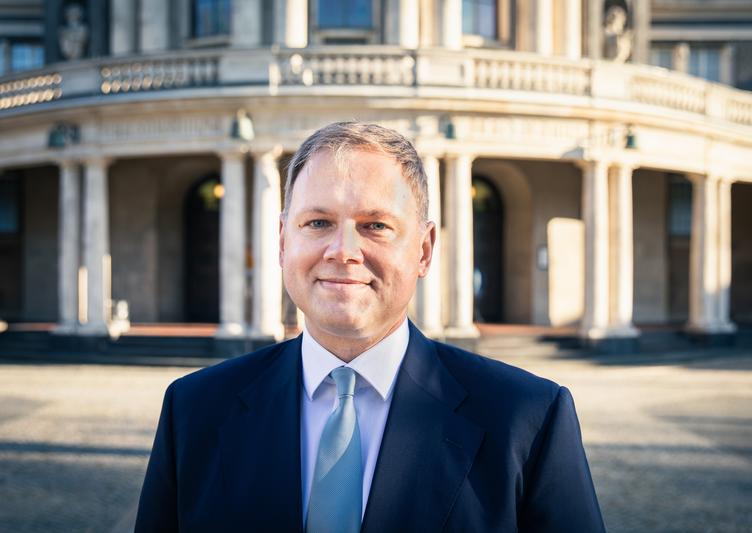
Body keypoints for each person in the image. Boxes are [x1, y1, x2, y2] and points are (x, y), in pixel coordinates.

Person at [135, 122, 605, 532]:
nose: (343, 250)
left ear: (423, 250)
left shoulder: (527, 419)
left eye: (375, 225)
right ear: (282, 242)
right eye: (318, 221)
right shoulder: (193, 411)